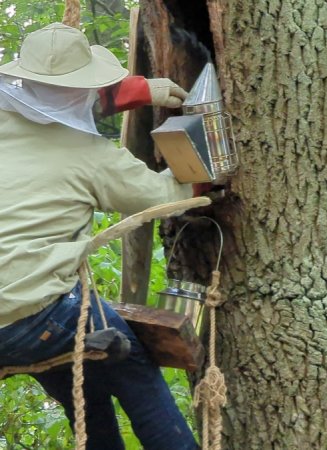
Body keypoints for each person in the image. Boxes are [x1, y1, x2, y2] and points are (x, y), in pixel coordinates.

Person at [0, 22, 200, 450]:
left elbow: (54, 103)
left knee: (82, 381)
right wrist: (208, 164)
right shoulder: (90, 157)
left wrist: (140, 91)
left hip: (13, 324)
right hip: (33, 315)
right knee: (135, 371)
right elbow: (167, 196)